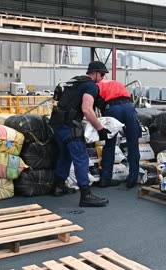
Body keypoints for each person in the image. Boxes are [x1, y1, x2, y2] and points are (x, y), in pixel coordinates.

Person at [49, 61, 111, 207]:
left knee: (65, 155)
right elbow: (87, 110)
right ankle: (86, 195)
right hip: (69, 125)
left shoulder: (74, 81)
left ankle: (59, 186)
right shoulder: (90, 85)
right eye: (101, 74)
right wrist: (100, 129)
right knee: (81, 157)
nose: (102, 77)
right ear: (94, 73)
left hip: (56, 123)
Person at [97, 80, 141, 189]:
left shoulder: (96, 86)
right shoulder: (116, 83)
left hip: (112, 109)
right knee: (133, 144)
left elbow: (95, 104)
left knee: (110, 144)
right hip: (128, 107)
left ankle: (105, 178)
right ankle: (132, 178)